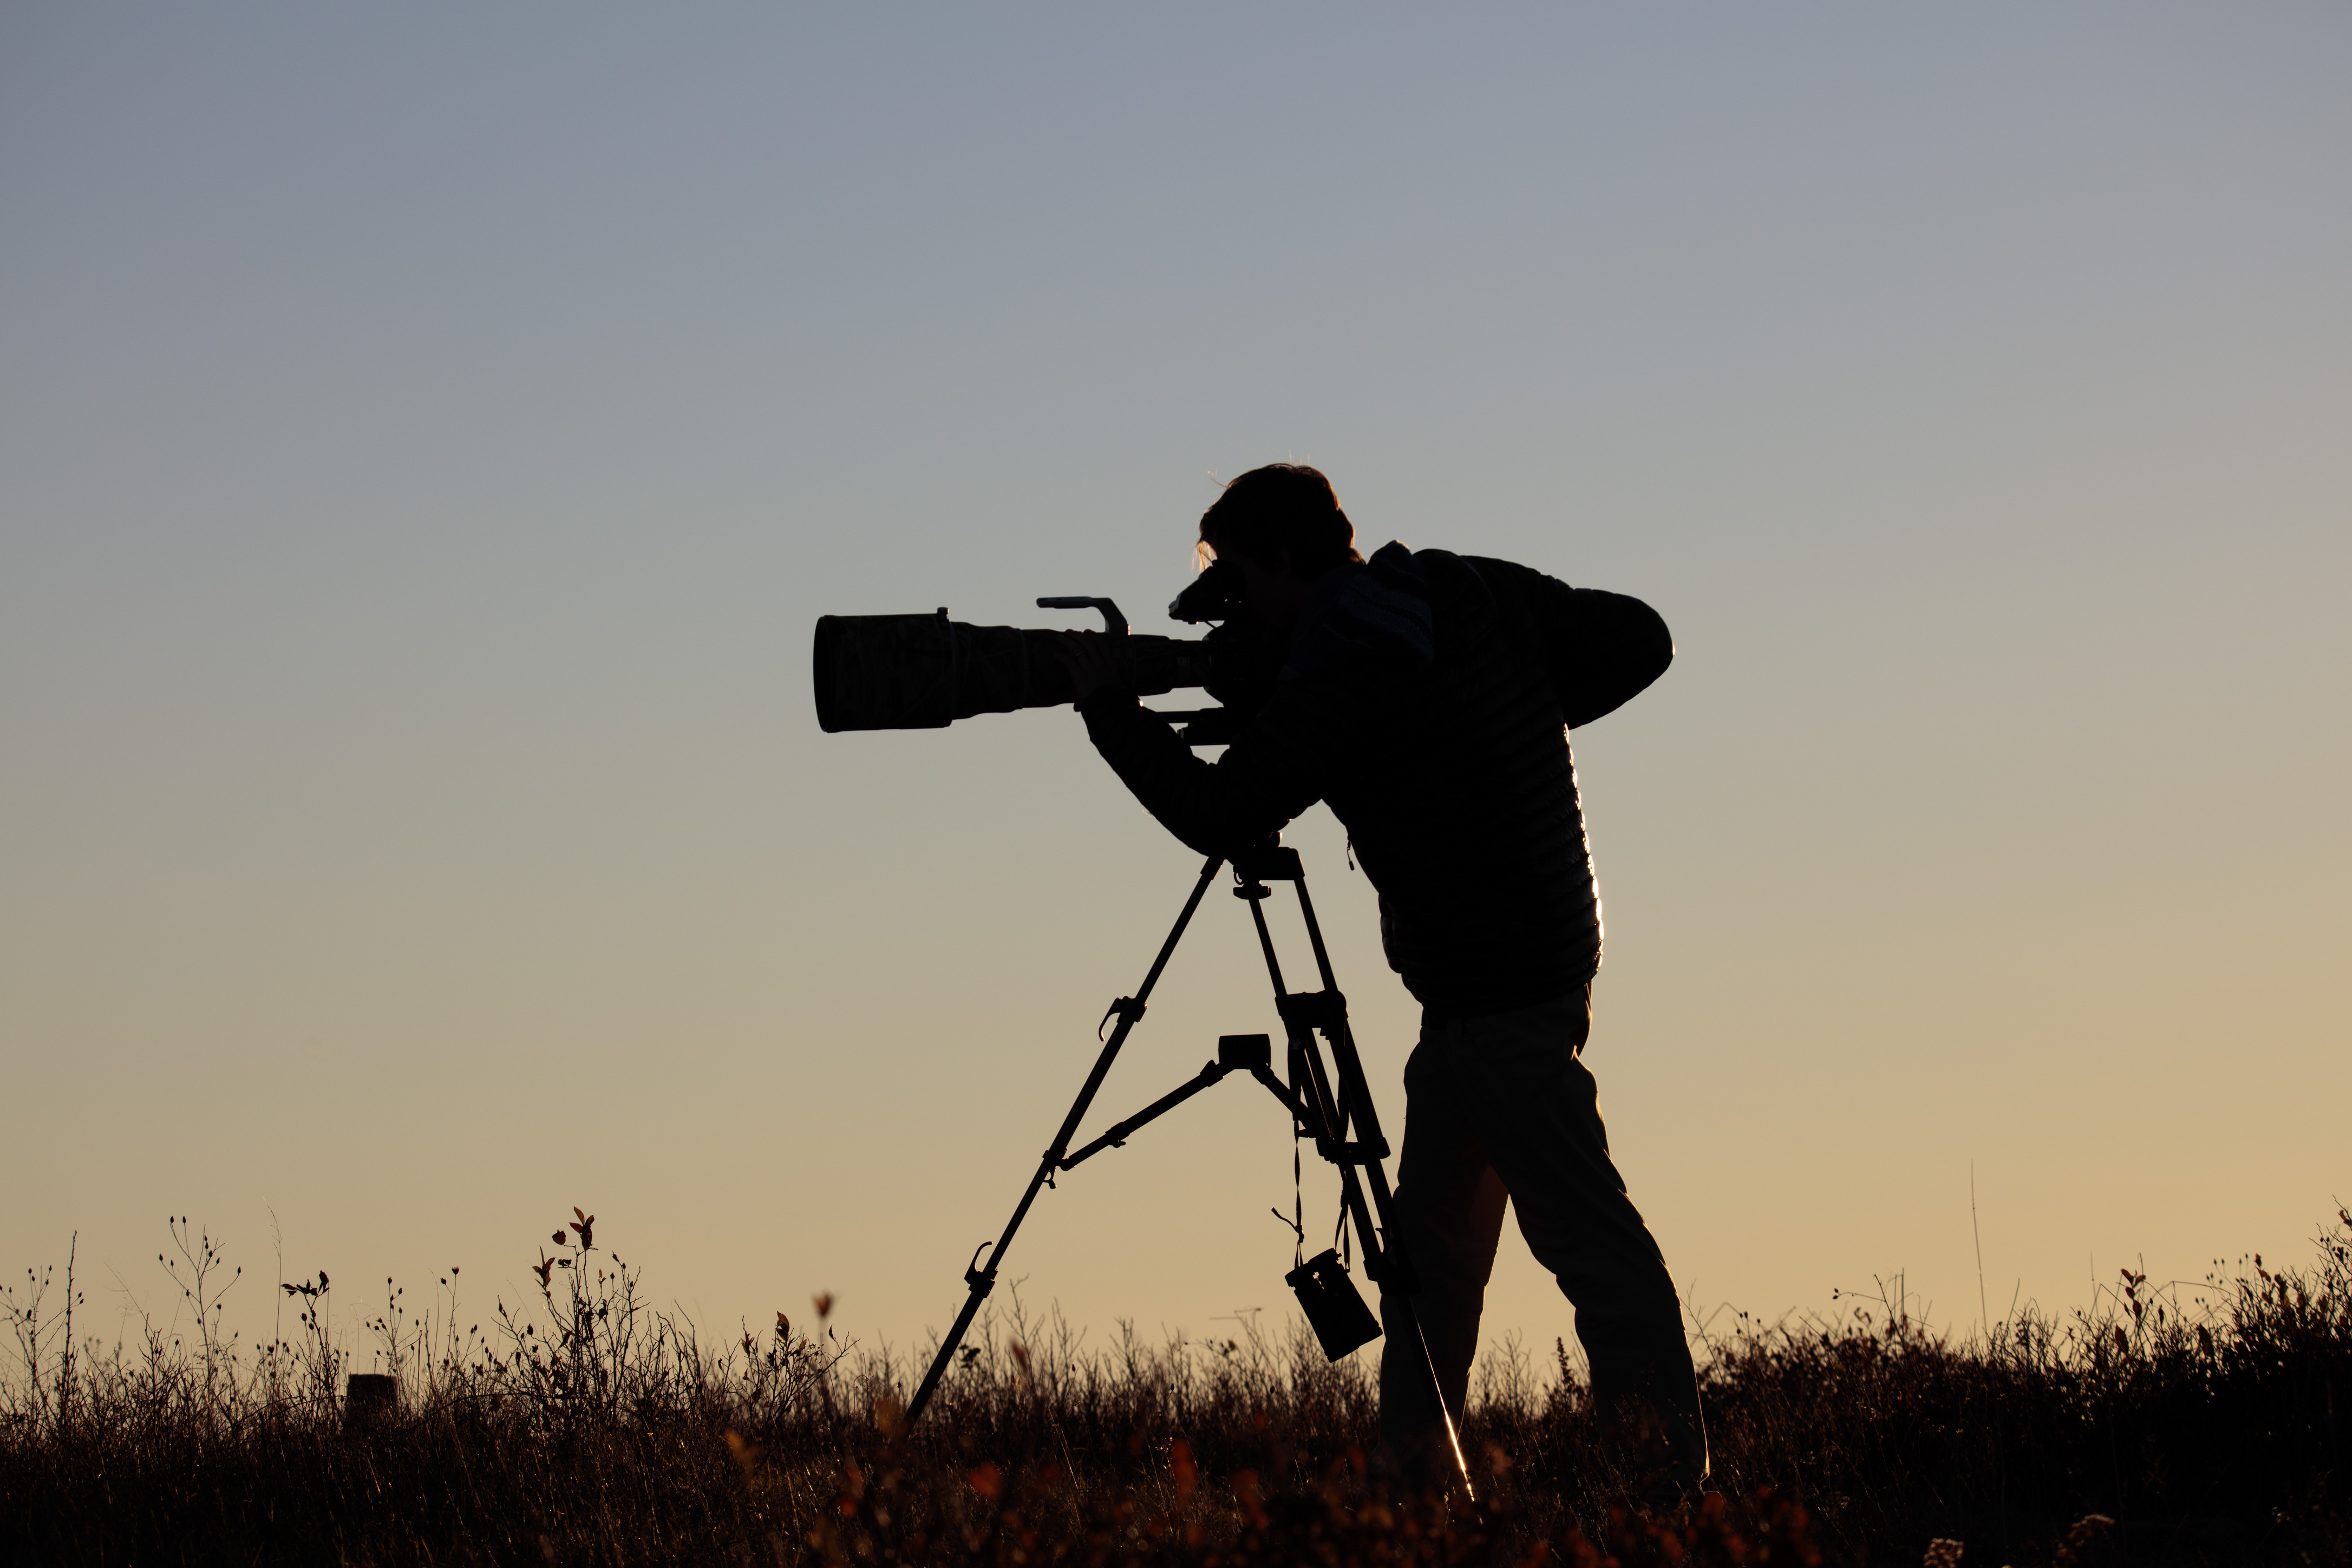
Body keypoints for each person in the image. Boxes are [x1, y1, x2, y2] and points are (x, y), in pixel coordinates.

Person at [1057, 463, 1707, 1499]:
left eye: (1242, 587)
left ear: (1281, 560)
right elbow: (1638, 637)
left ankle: (1664, 1494)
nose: (1238, 618)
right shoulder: (1455, 590)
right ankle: (1413, 1499)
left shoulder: (1352, 662)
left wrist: (1110, 714)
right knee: (1430, 1271)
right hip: (1489, 993)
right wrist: (1497, 721)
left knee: (1589, 1245)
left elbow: (1226, 815)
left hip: (1499, 995)